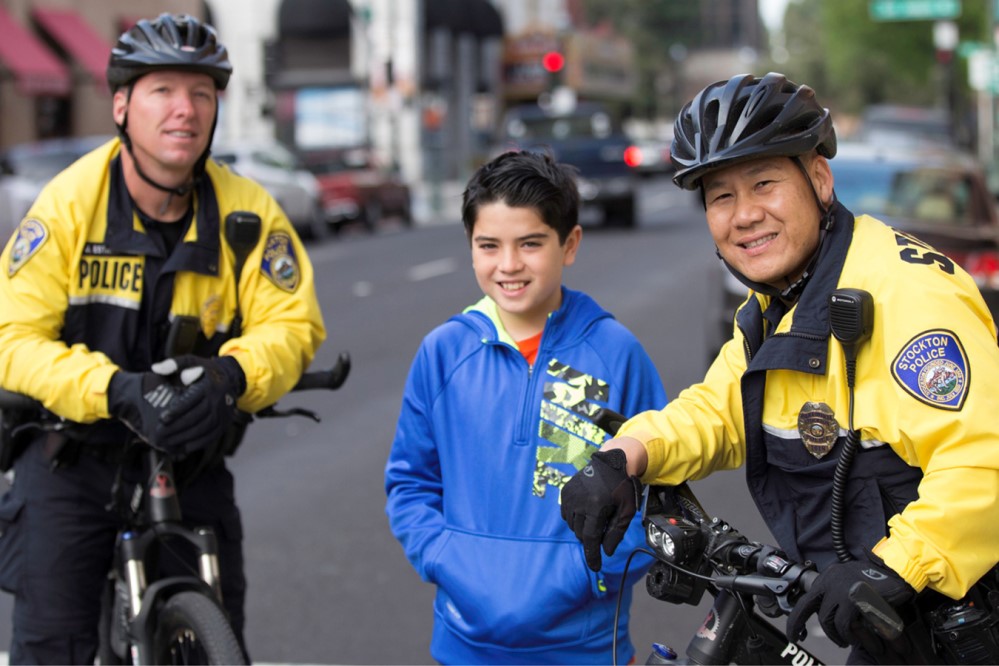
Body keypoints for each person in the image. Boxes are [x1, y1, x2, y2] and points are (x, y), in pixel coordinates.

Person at [559, 72, 999, 664]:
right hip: (887, 624)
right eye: (721, 196)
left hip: (961, 624)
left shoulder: (909, 294)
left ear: (818, 178)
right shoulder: (777, 302)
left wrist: (896, 566)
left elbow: (983, 460)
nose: (744, 215)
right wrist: (628, 454)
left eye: (763, 183)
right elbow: (721, 406)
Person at [0, 13, 325, 664]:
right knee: (52, 645)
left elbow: (294, 324)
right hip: (74, 460)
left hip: (187, 458)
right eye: (163, 92)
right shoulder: (66, 205)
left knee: (211, 643)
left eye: (202, 94)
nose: (186, 110)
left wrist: (232, 377)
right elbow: (13, 340)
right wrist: (115, 390)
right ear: (120, 106)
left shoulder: (247, 212)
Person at [384, 150, 667, 664]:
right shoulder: (444, 352)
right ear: (470, 246)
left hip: (585, 645)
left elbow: (659, 496)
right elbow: (410, 482)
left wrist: (593, 576)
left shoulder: (614, 353)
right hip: (464, 643)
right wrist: (444, 558)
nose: (508, 264)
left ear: (570, 243)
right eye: (488, 245)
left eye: (530, 243)